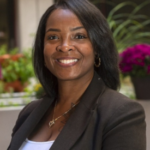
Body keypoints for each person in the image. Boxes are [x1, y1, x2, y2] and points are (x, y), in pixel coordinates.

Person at [8, 0, 146, 149]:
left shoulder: (121, 113)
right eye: (53, 37)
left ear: (97, 47)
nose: (64, 46)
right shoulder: (29, 113)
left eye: (79, 36)